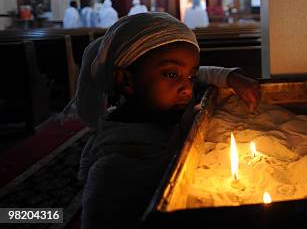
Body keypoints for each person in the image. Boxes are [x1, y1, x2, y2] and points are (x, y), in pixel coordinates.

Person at [70, 12, 260, 229]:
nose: (188, 88)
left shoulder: (156, 105)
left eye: (190, 76)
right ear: (125, 80)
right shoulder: (113, 170)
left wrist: (229, 77)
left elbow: (201, 75)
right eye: (171, 75)